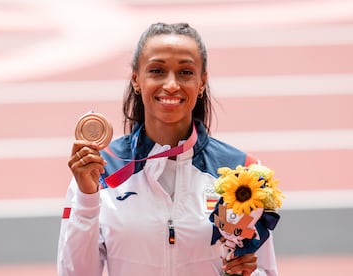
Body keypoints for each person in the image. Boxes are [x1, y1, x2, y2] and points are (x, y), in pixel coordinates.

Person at [57, 22, 278, 276]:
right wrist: (87, 199)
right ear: (136, 79)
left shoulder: (244, 175)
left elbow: (265, 269)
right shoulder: (102, 172)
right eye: (157, 70)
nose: (171, 84)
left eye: (185, 72)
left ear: (202, 82)